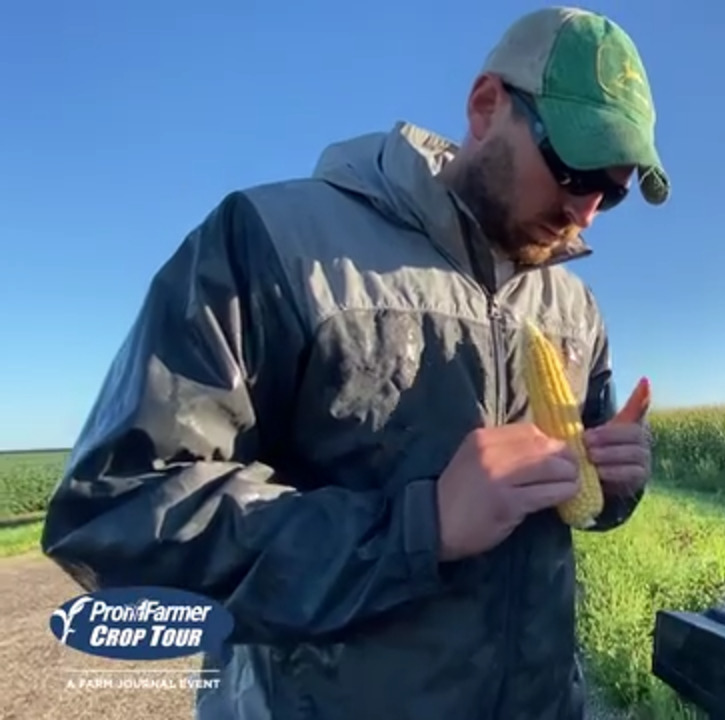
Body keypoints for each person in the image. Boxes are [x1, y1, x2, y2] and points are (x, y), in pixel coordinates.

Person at [39, 6, 669, 719]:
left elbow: (575, 495)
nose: (584, 211)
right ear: (487, 105)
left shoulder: (575, 311)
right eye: (574, 167)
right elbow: (114, 512)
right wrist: (422, 525)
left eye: (611, 193)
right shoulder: (276, 245)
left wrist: (612, 484)